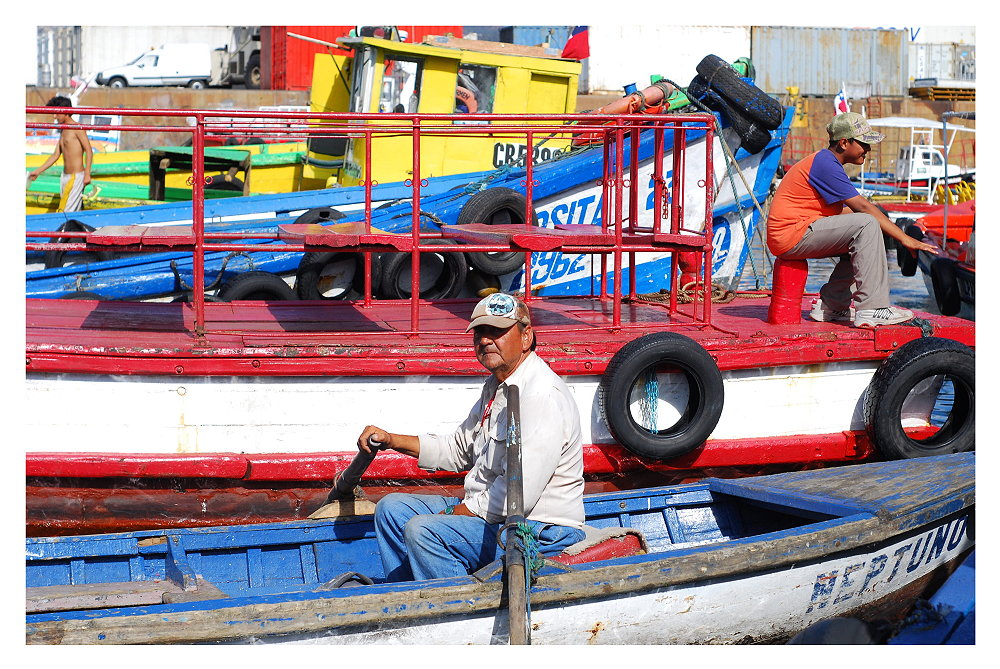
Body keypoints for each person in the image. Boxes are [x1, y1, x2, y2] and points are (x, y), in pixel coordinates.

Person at [357, 292, 586, 582]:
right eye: (480, 332)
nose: (486, 340)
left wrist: (457, 513)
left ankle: (453, 607)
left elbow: (519, 492)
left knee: (423, 531)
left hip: (538, 530)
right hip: (494, 515)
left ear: (526, 337)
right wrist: (391, 440)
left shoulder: (541, 395)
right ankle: (406, 593)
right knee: (392, 510)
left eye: (498, 332)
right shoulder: (497, 386)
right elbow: (459, 449)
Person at [766, 112, 938, 328]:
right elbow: (863, 207)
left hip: (797, 230)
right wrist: (906, 239)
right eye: (864, 144)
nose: (868, 149)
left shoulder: (827, 162)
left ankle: (831, 306)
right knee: (866, 223)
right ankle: (872, 309)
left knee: (871, 224)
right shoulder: (825, 163)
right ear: (844, 143)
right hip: (790, 235)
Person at [26, 96, 93, 213]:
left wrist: (87, 173)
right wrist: (38, 171)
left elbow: (89, 150)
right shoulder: (63, 130)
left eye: (56, 113)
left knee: (65, 211)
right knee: (71, 210)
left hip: (75, 177)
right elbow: (55, 155)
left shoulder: (77, 128)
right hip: (65, 177)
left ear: (65, 111)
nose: (54, 117)